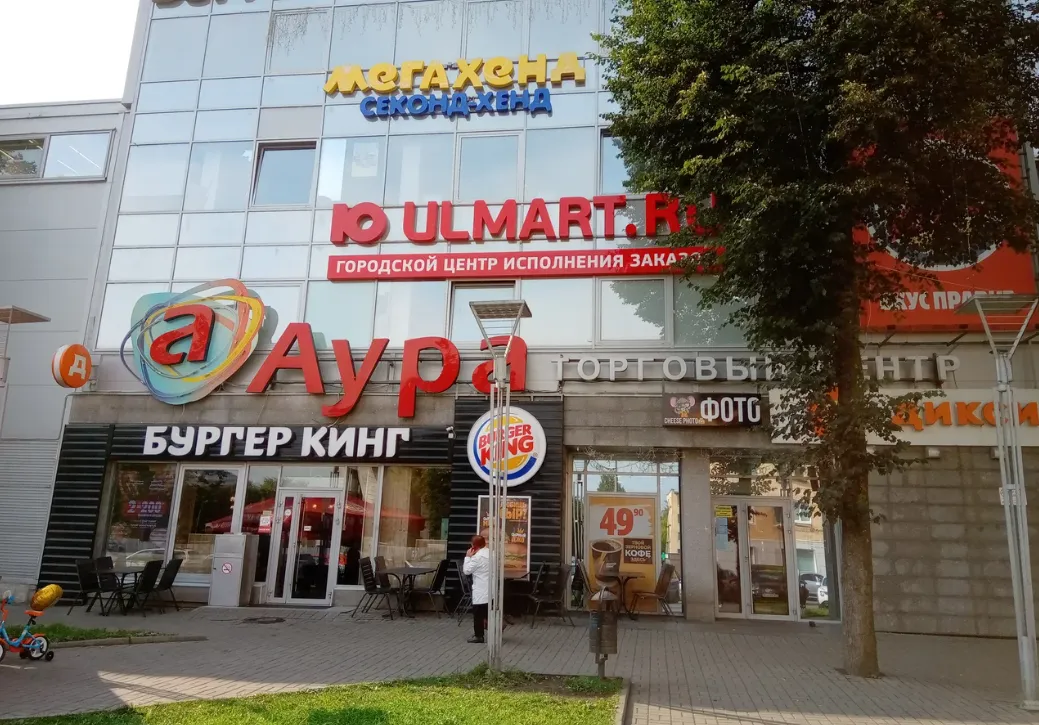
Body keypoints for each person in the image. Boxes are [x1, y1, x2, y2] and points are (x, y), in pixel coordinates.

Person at [463, 535, 489, 644]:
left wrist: (468, 557)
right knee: (488, 610)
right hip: (490, 587)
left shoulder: (477, 557)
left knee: (478, 614)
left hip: (480, 588)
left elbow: (466, 571)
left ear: (473, 546)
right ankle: (498, 626)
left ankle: (479, 636)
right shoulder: (491, 553)